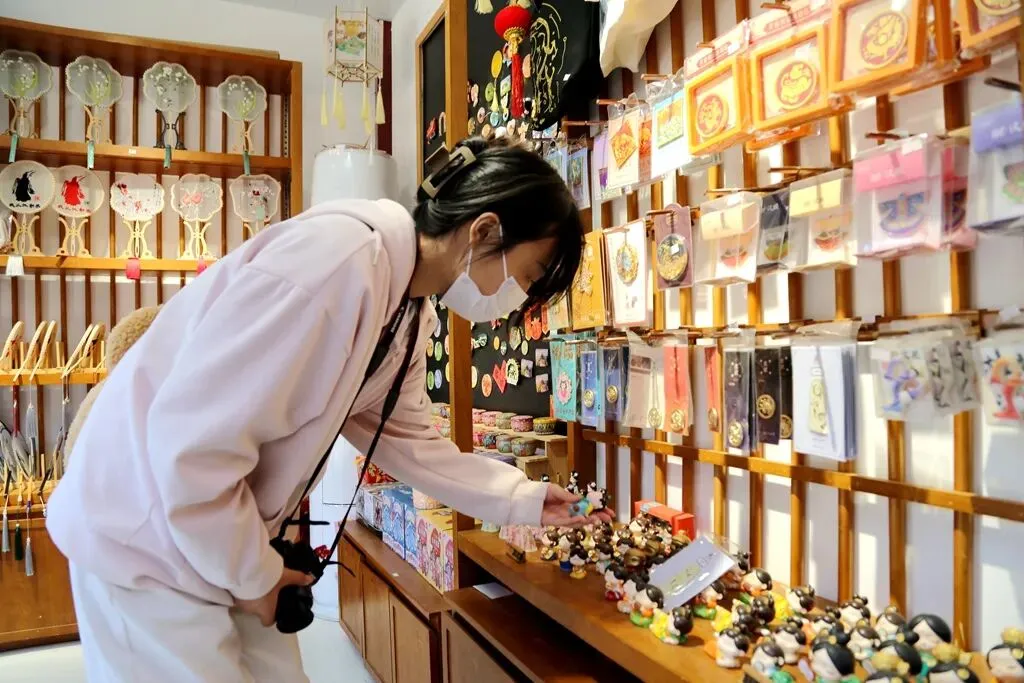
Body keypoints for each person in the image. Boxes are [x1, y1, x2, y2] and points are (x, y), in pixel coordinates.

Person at [46, 136, 611, 682]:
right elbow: (191, 446)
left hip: (221, 530)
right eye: (528, 275)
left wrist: (525, 498)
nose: (517, 299)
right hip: (145, 535)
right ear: (484, 230)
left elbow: (413, 444)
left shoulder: (407, 310)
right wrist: (255, 575)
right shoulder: (334, 264)